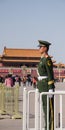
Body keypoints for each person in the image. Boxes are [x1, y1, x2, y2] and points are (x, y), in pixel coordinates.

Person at [37, 40, 55, 130]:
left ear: (45, 48)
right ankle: (46, 127)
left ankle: (49, 128)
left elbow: (50, 74)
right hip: (42, 86)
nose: (39, 49)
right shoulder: (42, 59)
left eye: (40, 47)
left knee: (49, 110)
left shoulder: (47, 59)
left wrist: (51, 88)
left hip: (47, 87)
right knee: (45, 108)